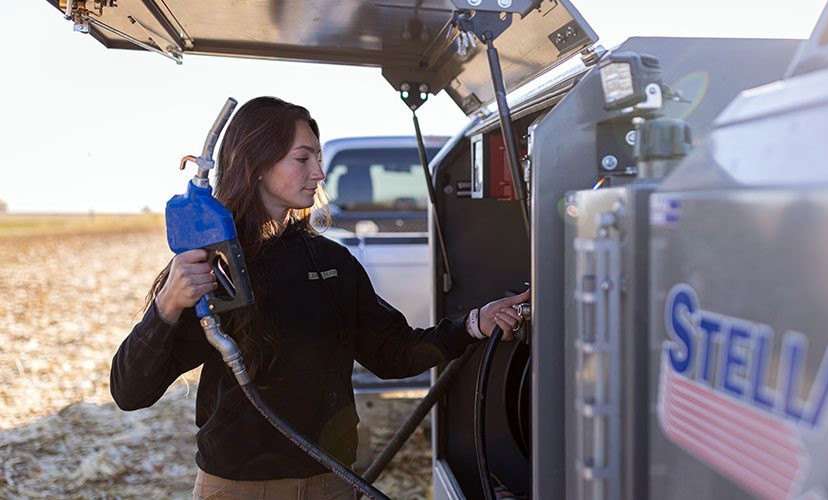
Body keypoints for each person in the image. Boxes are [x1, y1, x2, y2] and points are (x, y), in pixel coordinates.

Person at [110, 96, 528, 499]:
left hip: (331, 483)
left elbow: (393, 353)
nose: (319, 173)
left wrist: (474, 324)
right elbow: (131, 392)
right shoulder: (215, 266)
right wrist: (168, 302)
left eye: (318, 158)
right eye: (303, 158)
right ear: (257, 163)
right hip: (238, 489)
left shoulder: (332, 261)